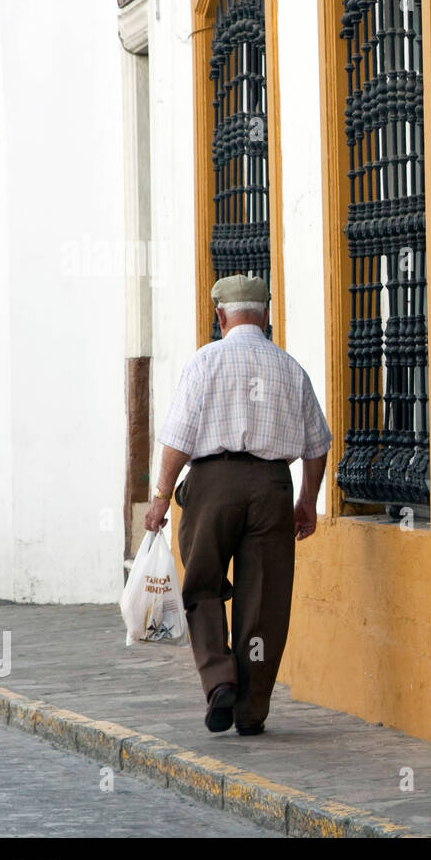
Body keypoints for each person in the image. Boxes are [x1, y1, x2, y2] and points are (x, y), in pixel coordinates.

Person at [144, 274, 331, 736]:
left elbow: (177, 440)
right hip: (271, 487)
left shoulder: (205, 362)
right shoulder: (290, 367)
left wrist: (160, 498)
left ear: (220, 315)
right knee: (263, 603)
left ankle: (219, 680)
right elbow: (317, 444)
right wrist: (307, 502)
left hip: (212, 484)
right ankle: (251, 711)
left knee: (202, 586)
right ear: (266, 315)